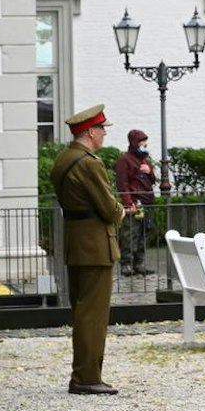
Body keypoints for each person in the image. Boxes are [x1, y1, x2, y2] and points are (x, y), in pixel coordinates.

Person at [49, 105, 126, 395]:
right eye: (102, 129)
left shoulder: (64, 159)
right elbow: (108, 208)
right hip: (95, 245)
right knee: (93, 315)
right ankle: (87, 377)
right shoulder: (89, 163)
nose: (105, 134)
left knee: (82, 311)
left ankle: (83, 374)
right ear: (91, 132)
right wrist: (120, 212)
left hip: (75, 242)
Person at [113, 129, 155, 277]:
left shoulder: (145, 160)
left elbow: (153, 180)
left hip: (147, 201)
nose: (144, 145)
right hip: (135, 202)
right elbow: (122, 183)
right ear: (134, 143)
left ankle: (139, 263)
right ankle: (126, 264)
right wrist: (128, 202)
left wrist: (149, 171)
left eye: (145, 143)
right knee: (131, 232)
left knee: (145, 232)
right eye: (142, 143)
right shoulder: (125, 160)